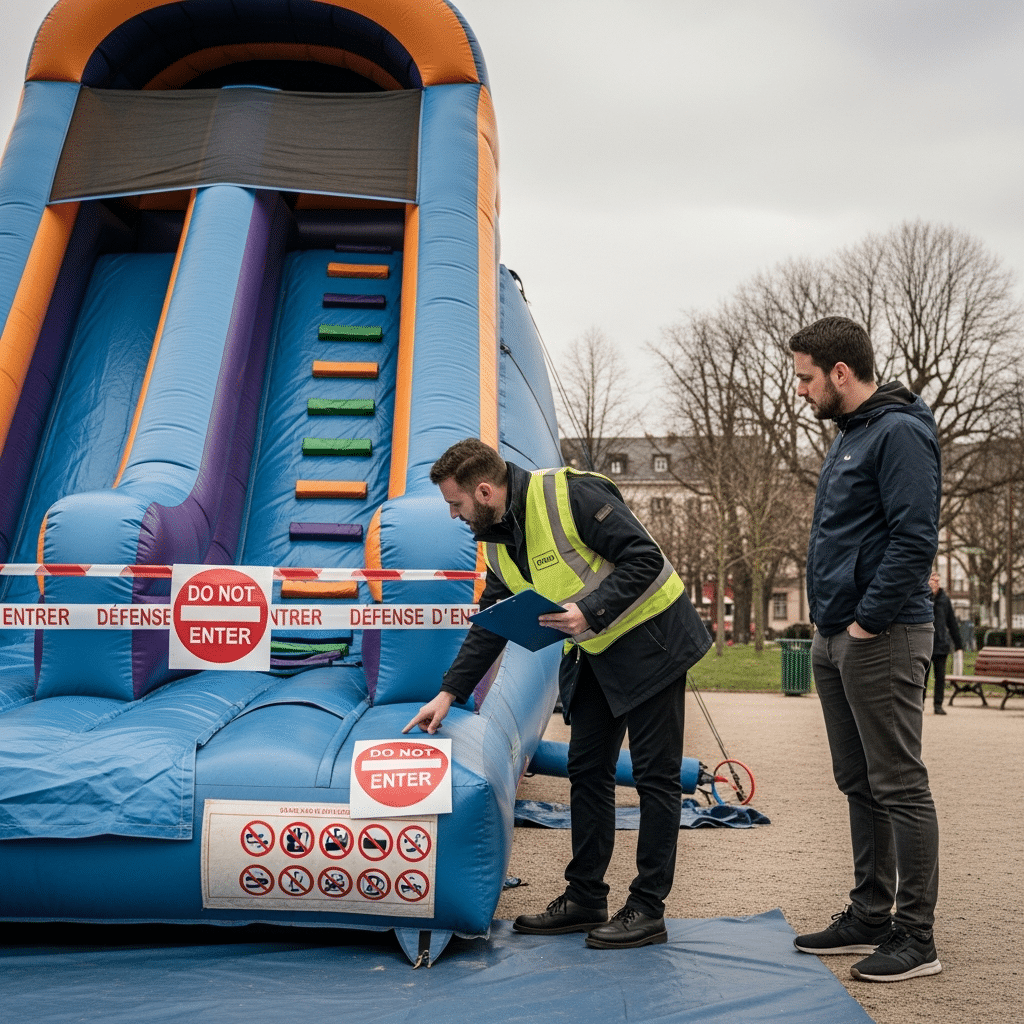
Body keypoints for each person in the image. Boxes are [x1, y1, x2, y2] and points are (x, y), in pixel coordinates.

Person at [404, 438, 711, 949]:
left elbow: (645, 560)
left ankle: (647, 908)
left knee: (657, 777)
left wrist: (588, 611)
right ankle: (585, 897)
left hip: (653, 639)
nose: (454, 516)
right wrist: (448, 692)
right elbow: (492, 619)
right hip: (595, 649)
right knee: (587, 769)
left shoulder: (571, 496)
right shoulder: (497, 537)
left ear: (484, 491)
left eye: (456, 505)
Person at [789, 316, 943, 983]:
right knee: (859, 782)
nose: (799, 391)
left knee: (899, 784)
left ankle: (917, 937)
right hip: (835, 635)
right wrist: (831, 628)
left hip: (880, 634)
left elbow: (915, 540)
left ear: (840, 374)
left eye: (805, 378)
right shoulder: (853, 435)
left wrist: (865, 624)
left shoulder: (900, 433)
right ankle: (869, 912)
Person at [926, 571, 963, 715]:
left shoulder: (944, 599)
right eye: (933, 580)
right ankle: (919, 705)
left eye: (937, 580)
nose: (936, 582)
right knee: (922, 678)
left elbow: (952, 622)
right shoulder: (923, 597)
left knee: (940, 677)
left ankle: (938, 705)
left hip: (941, 644)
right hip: (926, 644)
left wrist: (958, 644)